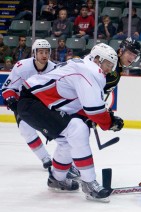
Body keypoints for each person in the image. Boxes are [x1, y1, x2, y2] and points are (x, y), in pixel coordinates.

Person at [17, 43, 123, 202]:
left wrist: (97, 117)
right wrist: (109, 122)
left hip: (36, 102)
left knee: (68, 140)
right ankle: (88, 182)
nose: (110, 69)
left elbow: (78, 103)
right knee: (78, 130)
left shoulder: (83, 66)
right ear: (98, 59)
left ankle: (57, 179)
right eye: (108, 64)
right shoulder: (88, 71)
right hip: (34, 102)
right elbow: (94, 109)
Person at [1, 39, 56, 169]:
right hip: (24, 104)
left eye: (47, 52)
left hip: (44, 104)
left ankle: (66, 159)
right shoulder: (22, 66)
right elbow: (7, 88)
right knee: (26, 129)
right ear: (34, 53)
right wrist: (12, 100)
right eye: (41, 52)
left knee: (62, 131)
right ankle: (45, 158)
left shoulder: (54, 69)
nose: (44, 55)